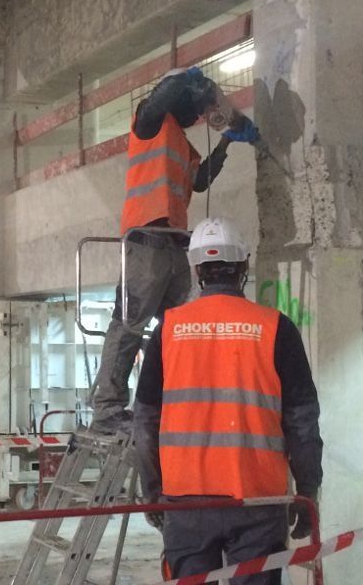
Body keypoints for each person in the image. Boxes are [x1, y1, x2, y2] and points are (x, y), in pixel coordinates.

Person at [133, 216, 323, 583]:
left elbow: (144, 422)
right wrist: (307, 490)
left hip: (186, 501)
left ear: (196, 269)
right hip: (257, 501)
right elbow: (302, 422)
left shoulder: (168, 329)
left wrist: (153, 490)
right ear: (244, 265)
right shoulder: (275, 327)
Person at [90, 65, 260, 434]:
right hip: (145, 240)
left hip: (174, 244)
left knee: (181, 326)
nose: (199, 115)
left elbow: (199, 183)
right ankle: (107, 411)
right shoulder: (149, 124)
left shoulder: (183, 143)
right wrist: (185, 79)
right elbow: (162, 98)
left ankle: (176, 399)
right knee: (128, 326)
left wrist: (228, 140)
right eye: (197, 108)